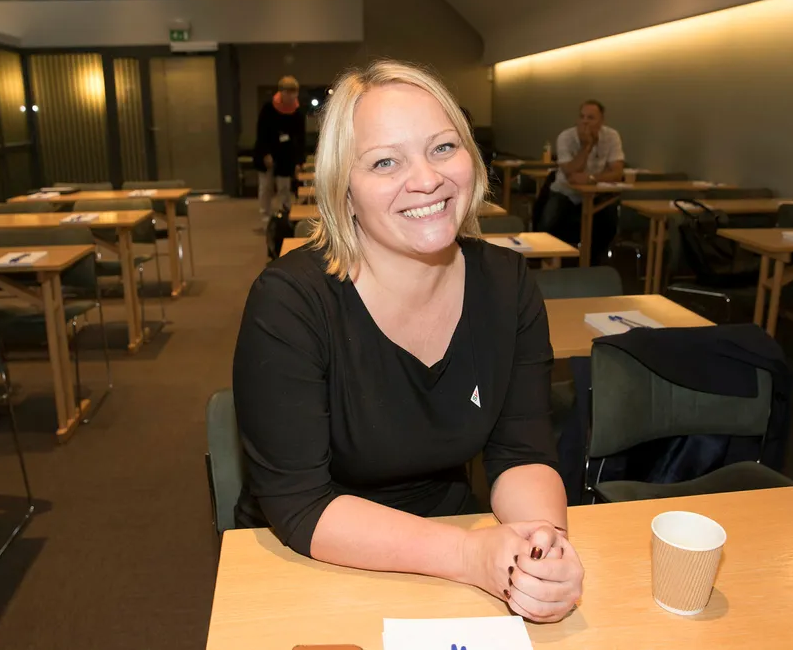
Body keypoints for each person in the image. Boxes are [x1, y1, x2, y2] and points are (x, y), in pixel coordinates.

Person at [233, 60, 583, 623]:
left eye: (443, 148)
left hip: (451, 537)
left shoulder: (507, 284)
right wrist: (469, 556)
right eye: (385, 161)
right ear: (344, 191)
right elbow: (300, 503)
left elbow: (522, 453)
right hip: (309, 555)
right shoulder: (289, 303)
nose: (426, 179)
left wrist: (541, 548)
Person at [536, 100, 625, 260]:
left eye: (590, 118)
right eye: (582, 117)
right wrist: (586, 147)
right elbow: (569, 171)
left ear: (602, 121)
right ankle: (546, 262)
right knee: (548, 223)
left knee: (609, 221)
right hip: (565, 191)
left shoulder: (612, 136)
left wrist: (591, 178)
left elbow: (617, 172)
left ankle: (592, 261)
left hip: (596, 194)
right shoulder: (566, 137)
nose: (585, 122)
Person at [253, 75, 306, 221]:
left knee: (284, 187)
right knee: (266, 187)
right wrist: (266, 154)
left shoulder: (297, 112)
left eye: (294, 92)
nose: (292, 96)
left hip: (286, 155)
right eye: (288, 92)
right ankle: (265, 215)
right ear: (281, 92)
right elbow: (261, 133)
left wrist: (299, 161)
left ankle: (286, 215)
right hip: (267, 153)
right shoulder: (268, 108)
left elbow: (300, 139)